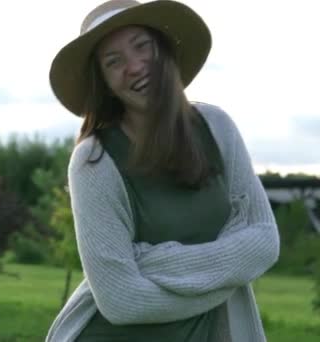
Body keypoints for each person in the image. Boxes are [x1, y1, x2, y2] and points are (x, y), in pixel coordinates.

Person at [46, 0, 280, 341]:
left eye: (143, 46)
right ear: (104, 82)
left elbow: (264, 242)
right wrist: (228, 273)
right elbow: (120, 302)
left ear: (165, 50)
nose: (135, 66)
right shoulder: (94, 161)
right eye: (114, 62)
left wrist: (150, 262)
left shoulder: (217, 128)